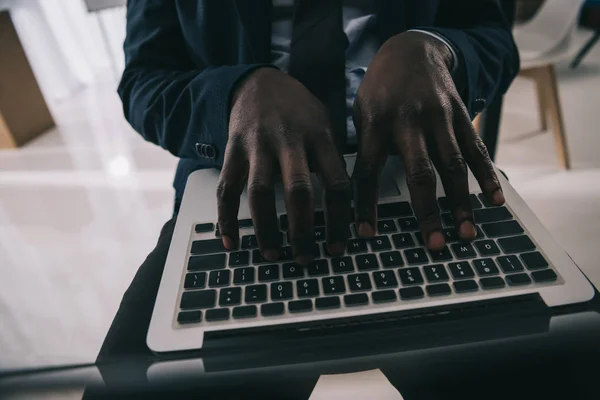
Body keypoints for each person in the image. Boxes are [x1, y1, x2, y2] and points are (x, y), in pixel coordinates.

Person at [89, 1, 519, 395]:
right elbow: (144, 79)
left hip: (418, 180)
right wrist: (232, 95)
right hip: (248, 192)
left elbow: (493, 37)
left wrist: (437, 49)